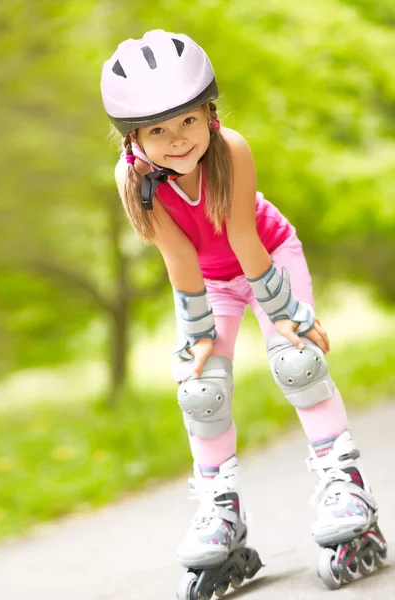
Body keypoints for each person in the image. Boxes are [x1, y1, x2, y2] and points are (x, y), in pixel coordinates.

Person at [101, 30, 387, 595]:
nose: (178, 139)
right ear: (133, 138)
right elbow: (179, 256)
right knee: (201, 388)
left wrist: (288, 316)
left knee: (297, 361)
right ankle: (219, 509)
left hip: (267, 255)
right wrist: (197, 337)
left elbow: (244, 239)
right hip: (210, 280)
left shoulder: (229, 149)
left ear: (209, 112)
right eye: (157, 130)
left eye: (187, 120)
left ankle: (344, 482)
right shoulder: (132, 179)